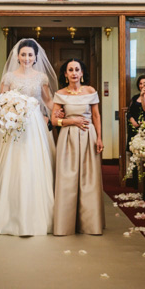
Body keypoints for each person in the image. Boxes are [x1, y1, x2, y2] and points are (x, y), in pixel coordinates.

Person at [0, 39, 57, 236]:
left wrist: (63, 110)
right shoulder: (9, 77)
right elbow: (1, 101)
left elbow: (48, 101)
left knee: (34, 164)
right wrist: (6, 113)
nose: (26, 58)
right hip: (14, 123)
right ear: (17, 56)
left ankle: (37, 213)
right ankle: (5, 213)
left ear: (36, 57)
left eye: (30, 55)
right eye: (23, 54)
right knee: (11, 164)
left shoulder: (41, 77)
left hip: (35, 124)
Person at [51, 58, 104, 236]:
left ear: (82, 73)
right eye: (70, 70)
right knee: (68, 178)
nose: (74, 73)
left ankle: (90, 224)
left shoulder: (90, 91)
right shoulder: (59, 94)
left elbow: (96, 116)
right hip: (68, 138)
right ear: (65, 74)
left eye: (77, 69)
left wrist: (100, 138)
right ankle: (65, 225)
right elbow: (54, 120)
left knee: (89, 178)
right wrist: (71, 120)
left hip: (89, 136)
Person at [127, 75, 145, 148]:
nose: (142, 85)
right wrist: (132, 120)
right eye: (140, 83)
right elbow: (129, 111)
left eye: (144, 83)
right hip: (134, 128)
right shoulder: (135, 97)